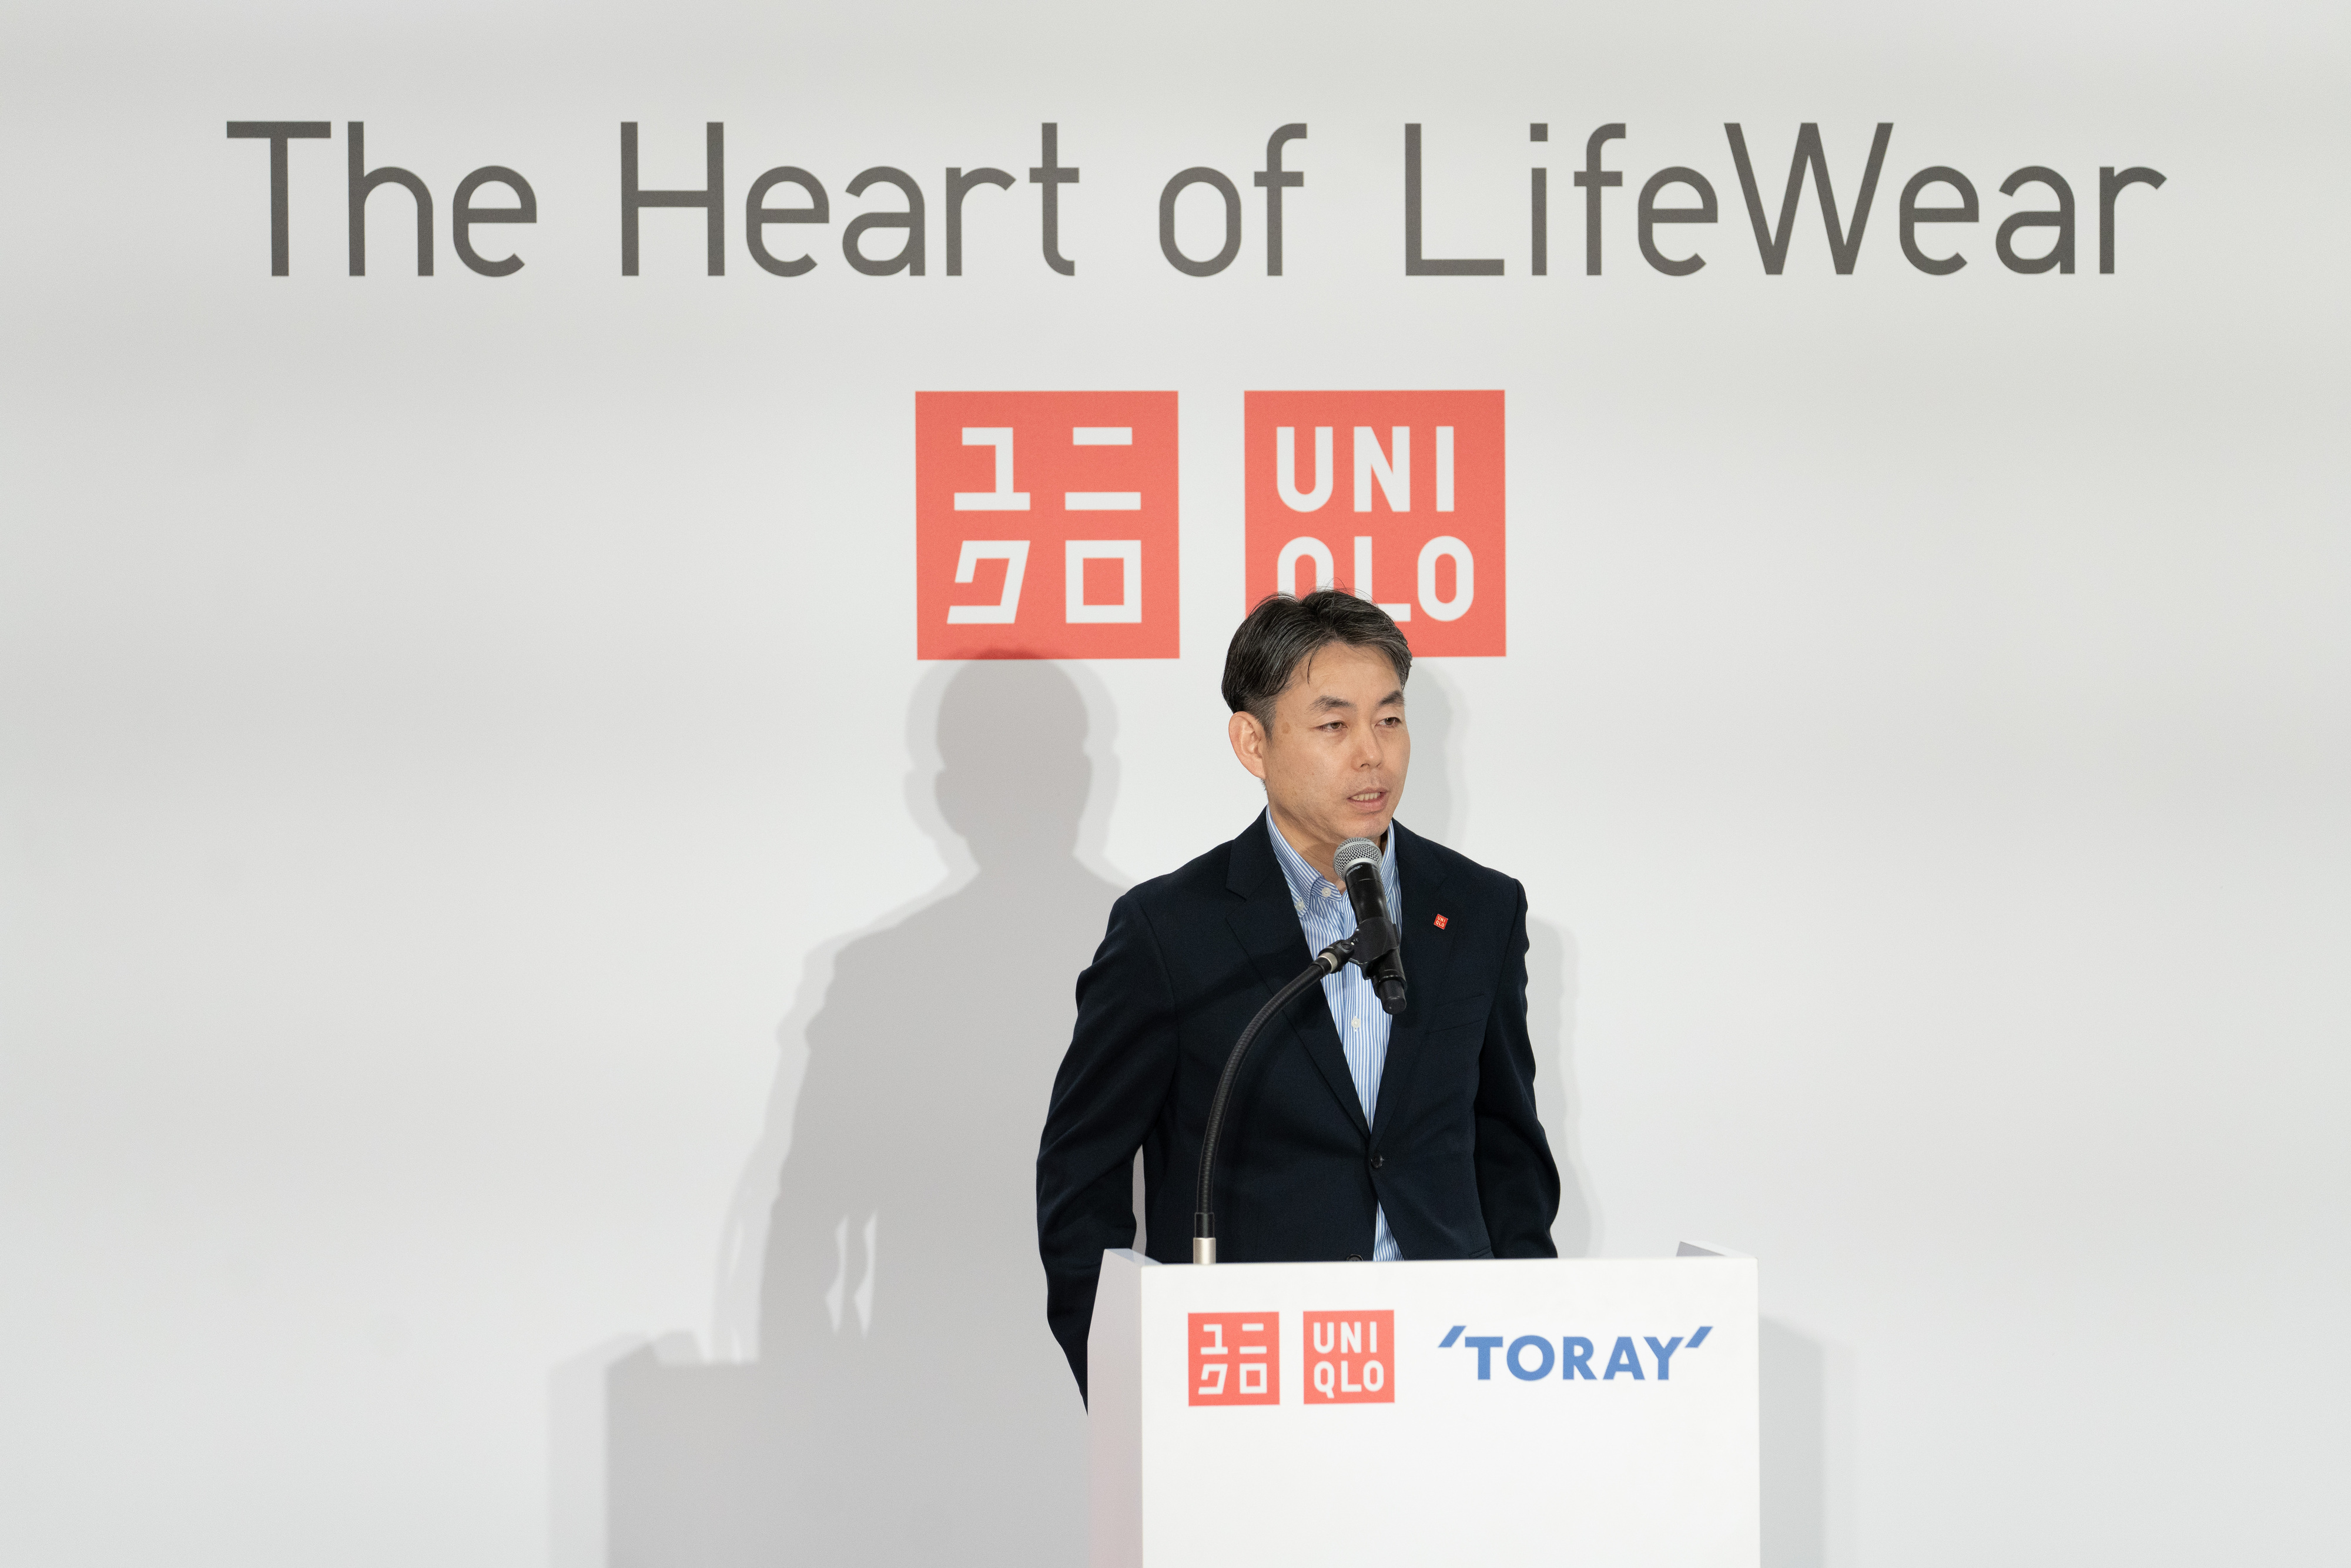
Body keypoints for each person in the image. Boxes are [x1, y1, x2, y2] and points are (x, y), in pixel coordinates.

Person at [1034, 590, 1560, 1396]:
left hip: (1450, 1363)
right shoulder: (1169, 931)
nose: (1373, 755)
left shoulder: (1481, 908)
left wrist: (1531, 1353)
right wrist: (1123, 1384)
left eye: (1390, 719)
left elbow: (1508, 1153)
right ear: (1254, 742)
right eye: (1334, 725)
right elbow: (1083, 1180)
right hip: (1253, 1375)